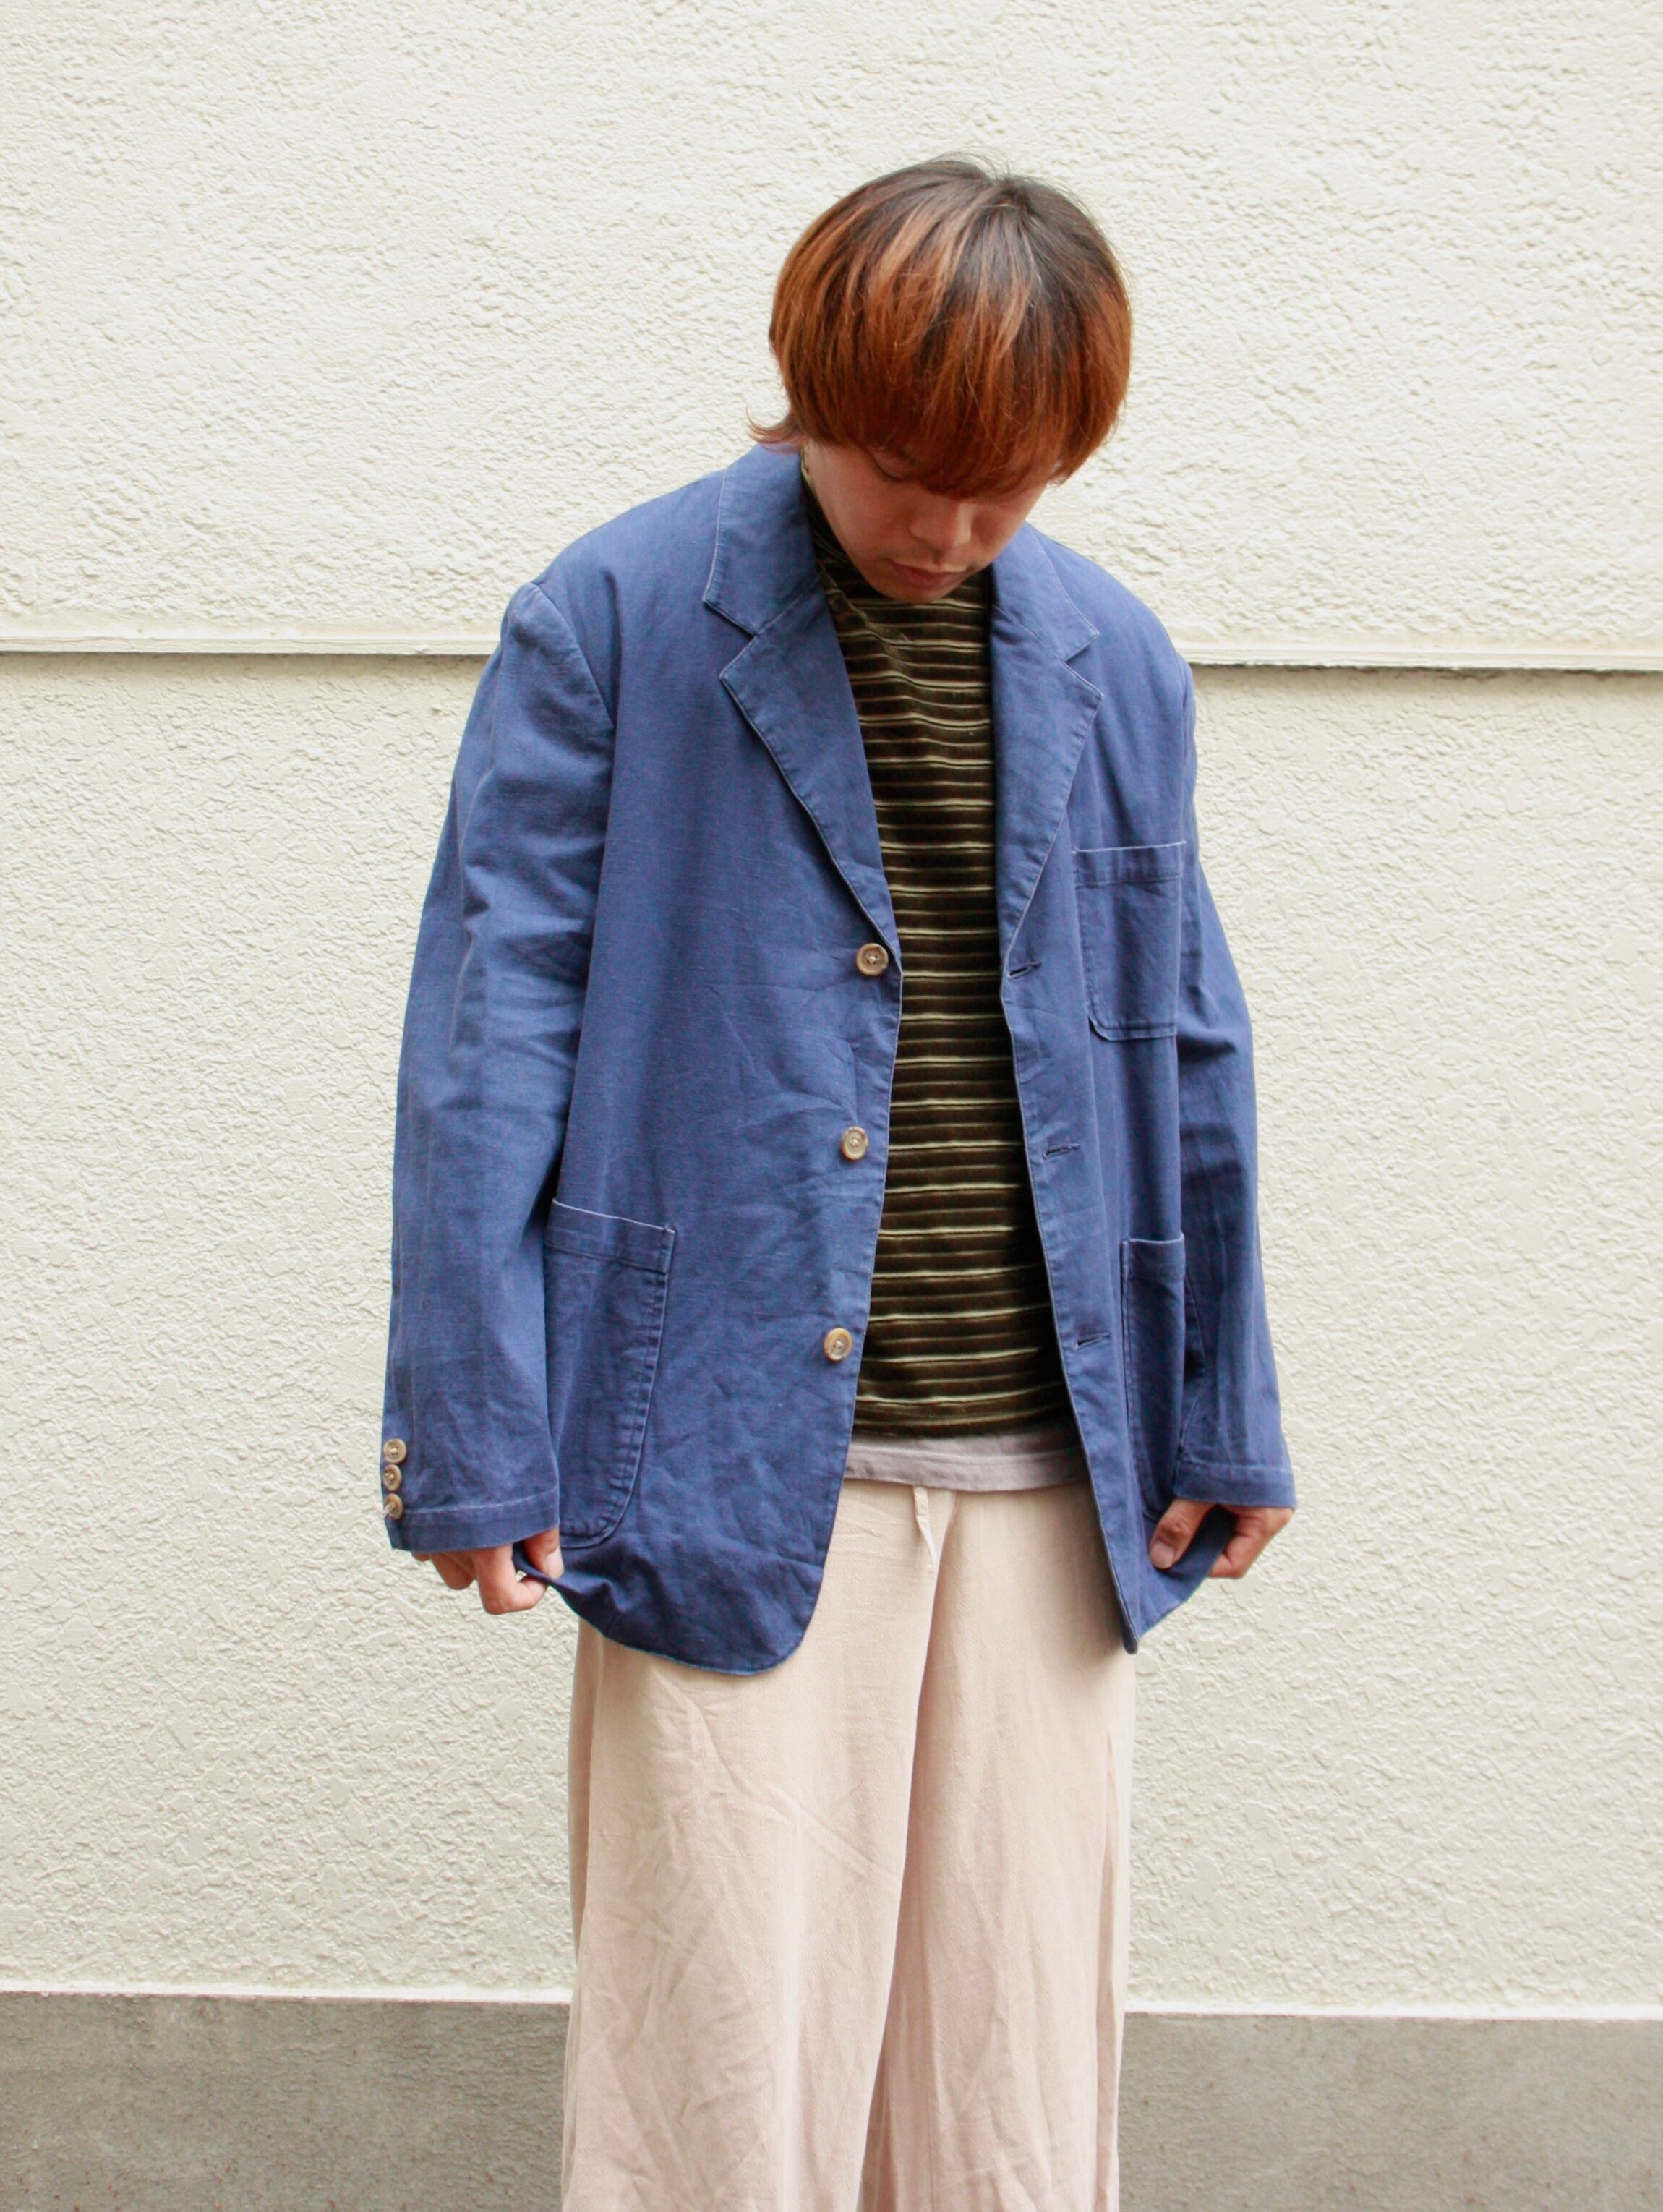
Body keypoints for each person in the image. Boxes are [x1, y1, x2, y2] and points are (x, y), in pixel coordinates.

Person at [379, 158, 1294, 2211]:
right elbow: (487, 1040)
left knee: (1009, 2092)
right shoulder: (616, 618)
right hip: (716, 1441)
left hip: (1058, 1458)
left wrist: (1224, 1400)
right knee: (722, 2082)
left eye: (1009, 488)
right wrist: (474, 1429)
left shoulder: (1116, 655)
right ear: (813, 393)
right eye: (909, 474)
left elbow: (1190, 1032)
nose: (951, 529)